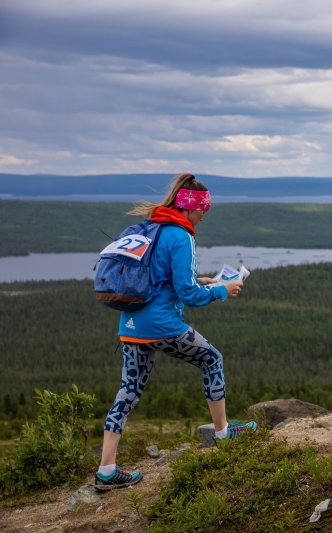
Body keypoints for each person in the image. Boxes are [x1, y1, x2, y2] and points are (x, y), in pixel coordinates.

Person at [95, 173, 256, 491]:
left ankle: (107, 469)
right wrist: (224, 291)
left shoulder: (152, 228)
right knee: (212, 359)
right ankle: (223, 433)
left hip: (130, 323)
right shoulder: (181, 236)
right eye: (202, 210)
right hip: (162, 324)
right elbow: (189, 296)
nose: (204, 215)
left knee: (128, 392)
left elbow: (159, 277)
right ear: (188, 207)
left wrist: (207, 280)